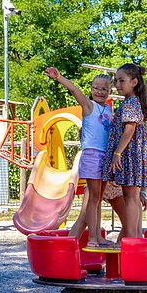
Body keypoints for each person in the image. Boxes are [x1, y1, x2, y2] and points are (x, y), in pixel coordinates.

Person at [44, 67, 113, 248]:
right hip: (92, 155)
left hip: (105, 156)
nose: (99, 91)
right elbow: (74, 89)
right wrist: (59, 77)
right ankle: (92, 238)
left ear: (109, 91)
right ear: (91, 89)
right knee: (93, 197)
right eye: (95, 88)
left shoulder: (108, 110)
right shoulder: (89, 106)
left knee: (99, 199)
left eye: (103, 89)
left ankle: (97, 235)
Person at [105, 63, 147, 243]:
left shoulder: (130, 103)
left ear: (134, 82)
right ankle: (135, 236)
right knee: (132, 197)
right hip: (135, 155)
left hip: (130, 155)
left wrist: (117, 153)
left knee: (130, 197)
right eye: (116, 81)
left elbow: (129, 130)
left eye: (122, 81)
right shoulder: (133, 102)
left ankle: (132, 237)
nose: (117, 85)